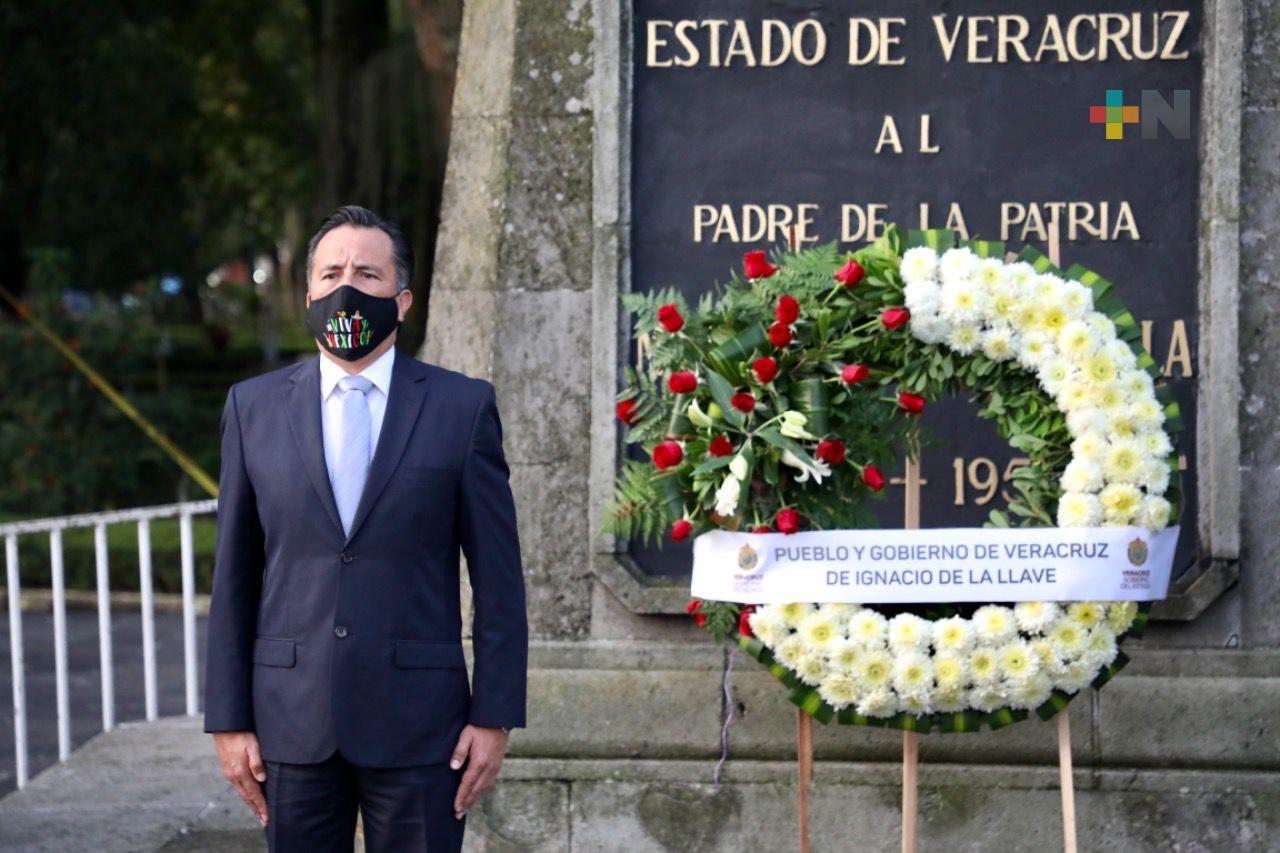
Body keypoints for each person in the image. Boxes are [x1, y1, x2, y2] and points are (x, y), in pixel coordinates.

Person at [203, 204, 528, 851]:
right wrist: (228, 719)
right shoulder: (252, 408)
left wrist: (494, 715)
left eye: (367, 274)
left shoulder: (462, 408)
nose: (346, 288)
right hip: (289, 724)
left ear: (402, 300)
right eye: (331, 274)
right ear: (308, 295)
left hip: (423, 727)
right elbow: (234, 575)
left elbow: (499, 579)